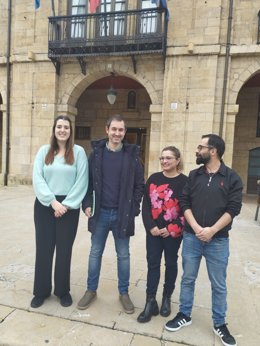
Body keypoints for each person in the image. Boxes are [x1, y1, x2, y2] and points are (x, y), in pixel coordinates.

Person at [165, 134, 243, 346]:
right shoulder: (194, 175)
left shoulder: (232, 178)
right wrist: (198, 228)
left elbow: (233, 209)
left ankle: (219, 323)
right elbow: (184, 202)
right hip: (192, 237)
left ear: (213, 151)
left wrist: (212, 230)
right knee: (188, 278)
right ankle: (184, 314)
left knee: (218, 285)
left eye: (201, 147)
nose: (197, 150)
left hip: (218, 241)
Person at [77, 114, 144, 314]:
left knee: (123, 255)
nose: (117, 133)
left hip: (122, 214)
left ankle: (124, 293)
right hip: (100, 214)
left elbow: (139, 185)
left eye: (121, 130)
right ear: (107, 130)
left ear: (124, 132)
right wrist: (87, 203)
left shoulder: (132, 156)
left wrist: (134, 209)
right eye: (113, 129)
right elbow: (86, 182)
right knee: (95, 252)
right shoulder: (96, 154)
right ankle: (91, 290)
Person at [31, 115, 88, 308]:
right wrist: (53, 202)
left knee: (64, 251)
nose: (62, 130)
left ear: (70, 131)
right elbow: (37, 178)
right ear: (54, 129)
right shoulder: (44, 151)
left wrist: (67, 204)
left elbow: (82, 180)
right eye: (59, 127)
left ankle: (63, 291)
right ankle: (41, 291)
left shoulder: (78, 152)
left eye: (66, 127)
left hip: (69, 208)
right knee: (44, 250)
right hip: (45, 205)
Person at [137, 146, 187, 323]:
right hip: (154, 232)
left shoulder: (185, 182)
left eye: (169, 158)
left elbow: (187, 210)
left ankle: (167, 297)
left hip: (173, 233)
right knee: (153, 264)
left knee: (171, 263)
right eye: (162, 158)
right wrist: (150, 227)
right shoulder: (153, 179)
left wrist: (173, 228)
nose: (164, 161)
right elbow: (146, 207)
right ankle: (150, 300)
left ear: (177, 160)